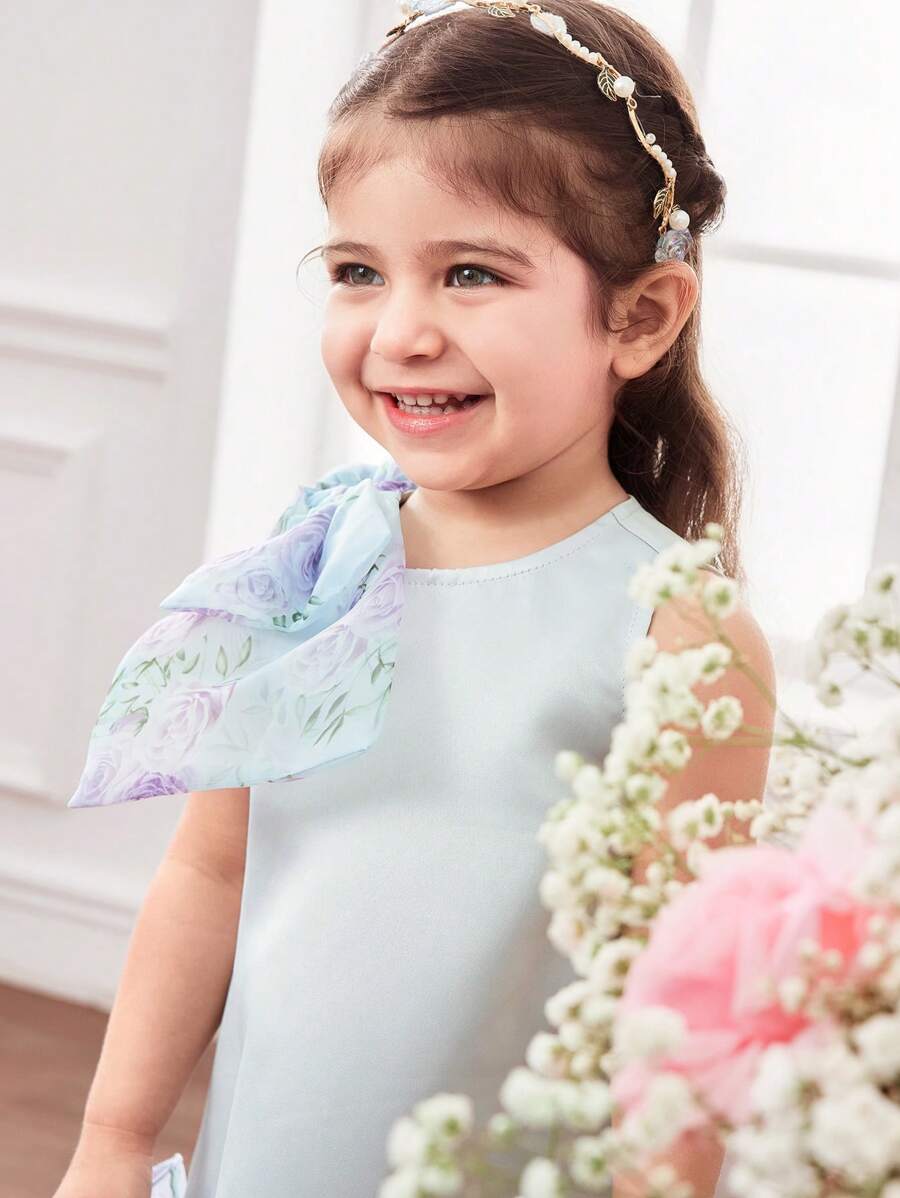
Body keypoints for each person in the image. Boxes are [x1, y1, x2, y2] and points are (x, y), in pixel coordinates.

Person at [54, 2, 776, 1195]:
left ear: (639, 316)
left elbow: (685, 1009)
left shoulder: (673, 626)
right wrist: (114, 1138)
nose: (401, 331)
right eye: (357, 272)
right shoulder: (311, 572)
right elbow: (210, 876)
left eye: (471, 274)